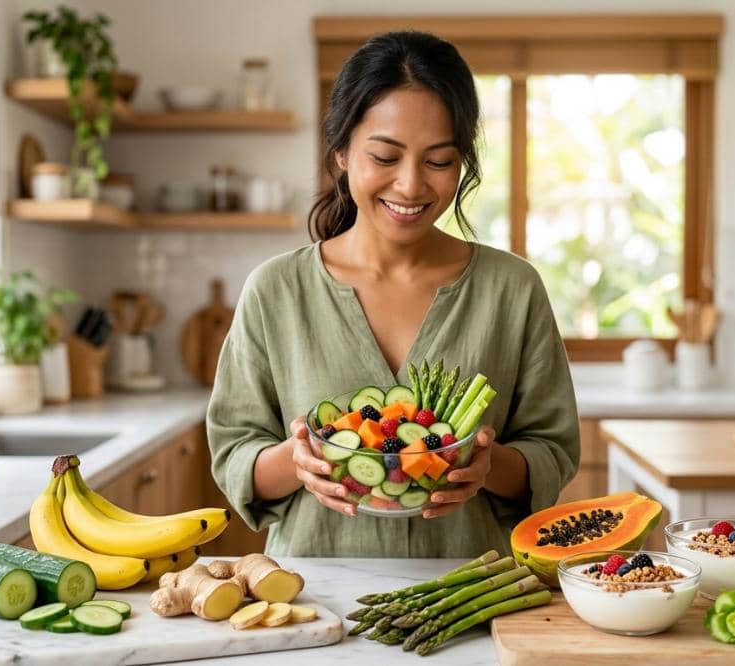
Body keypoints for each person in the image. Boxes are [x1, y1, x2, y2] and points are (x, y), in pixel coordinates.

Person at [207, 31, 579, 557]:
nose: (410, 186)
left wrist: (486, 466)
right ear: (341, 150)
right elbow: (234, 454)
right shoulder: (276, 289)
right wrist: (298, 461)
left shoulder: (512, 289)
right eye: (385, 156)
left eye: (439, 161)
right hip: (315, 600)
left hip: (465, 594)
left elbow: (552, 451)